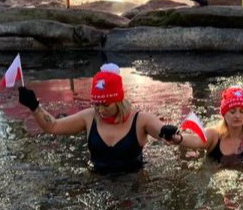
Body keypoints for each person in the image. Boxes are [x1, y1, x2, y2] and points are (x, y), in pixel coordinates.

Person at [17, 69, 183, 174]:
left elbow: (159, 130)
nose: (101, 110)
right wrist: (34, 106)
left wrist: (166, 131)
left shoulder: (140, 120)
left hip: (133, 189)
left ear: (118, 100)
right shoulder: (89, 117)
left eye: (105, 104)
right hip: (97, 186)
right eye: (96, 104)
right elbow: (53, 126)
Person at [177, 86, 243, 163]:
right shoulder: (213, 135)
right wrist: (178, 138)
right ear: (224, 114)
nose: (238, 116)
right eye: (232, 112)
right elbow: (196, 139)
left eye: (242, 112)